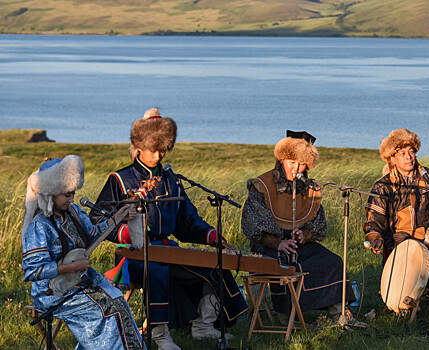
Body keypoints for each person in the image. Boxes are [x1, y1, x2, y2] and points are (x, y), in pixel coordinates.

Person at [90, 108, 247, 350]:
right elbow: (97, 219)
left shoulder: (172, 180)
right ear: (140, 146)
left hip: (166, 249)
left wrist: (212, 237)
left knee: (216, 262)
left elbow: (187, 222)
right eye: (155, 149)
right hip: (133, 252)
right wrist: (128, 233)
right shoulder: (120, 179)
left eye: (164, 148)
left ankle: (203, 325)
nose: (160, 154)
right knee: (156, 268)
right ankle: (160, 334)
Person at [22, 155, 144, 349]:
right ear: (51, 193)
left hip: (79, 279)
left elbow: (94, 234)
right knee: (107, 309)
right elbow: (32, 271)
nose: (71, 199)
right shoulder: (39, 226)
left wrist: (119, 217)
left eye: (73, 194)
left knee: (118, 300)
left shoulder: (75, 212)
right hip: (52, 291)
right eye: (67, 195)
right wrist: (71, 266)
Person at [241, 130, 354, 324]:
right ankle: (287, 315)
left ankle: (338, 314)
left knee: (332, 261)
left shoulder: (309, 189)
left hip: (299, 245)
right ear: (281, 161)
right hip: (270, 246)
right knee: (288, 266)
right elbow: (252, 225)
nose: (296, 168)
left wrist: (306, 235)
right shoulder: (263, 186)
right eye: (292, 162)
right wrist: (278, 243)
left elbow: (318, 225)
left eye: (302, 164)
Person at [364, 128, 429, 312]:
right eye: (402, 153)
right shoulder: (383, 186)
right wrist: (374, 237)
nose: (409, 157)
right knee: (413, 249)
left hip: (426, 233)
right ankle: (404, 299)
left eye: (411, 152)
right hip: (399, 239)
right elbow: (374, 220)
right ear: (392, 158)